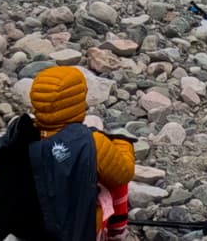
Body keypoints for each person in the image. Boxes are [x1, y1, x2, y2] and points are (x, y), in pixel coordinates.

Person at [28, 66, 135, 240]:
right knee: (114, 173)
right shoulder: (92, 142)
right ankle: (117, 232)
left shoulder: (23, 134)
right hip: (79, 229)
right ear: (77, 101)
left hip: (32, 224)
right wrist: (124, 144)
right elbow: (124, 174)